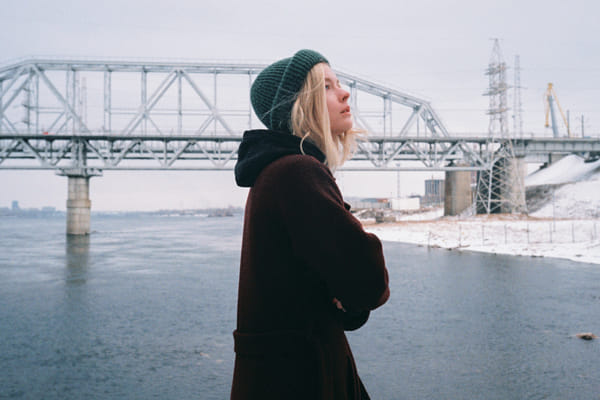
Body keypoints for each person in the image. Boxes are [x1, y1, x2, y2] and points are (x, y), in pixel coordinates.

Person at [231, 49, 390, 400]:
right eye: (327, 87)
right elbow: (367, 279)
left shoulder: (276, 172)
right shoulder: (298, 172)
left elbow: (339, 295)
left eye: (339, 83)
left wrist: (345, 297)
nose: (345, 93)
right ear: (299, 106)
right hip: (304, 379)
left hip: (282, 377)